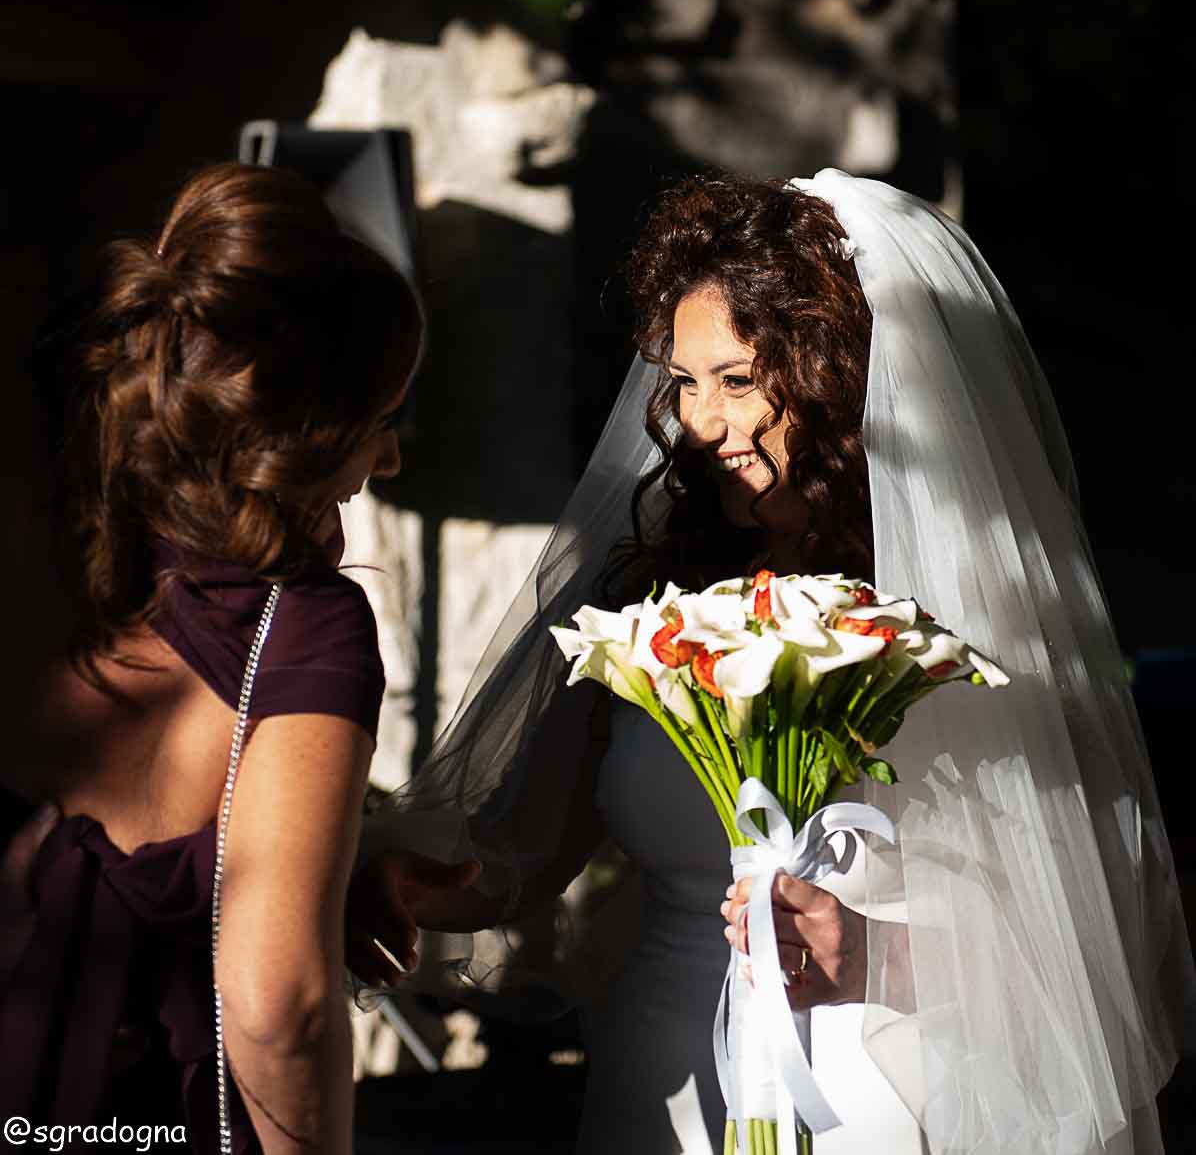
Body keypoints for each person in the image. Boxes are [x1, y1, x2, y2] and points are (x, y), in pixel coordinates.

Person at [356, 170, 1195, 1155]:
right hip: (661, 1086)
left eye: (737, 379)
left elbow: (1087, 940)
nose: (698, 421)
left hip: (883, 1095)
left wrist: (875, 952)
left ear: (836, 372)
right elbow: (518, 852)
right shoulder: (654, 603)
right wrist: (375, 879)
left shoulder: (957, 613)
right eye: (683, 381)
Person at [0, 162, 423, 1154]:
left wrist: (323, 864)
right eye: (380, 423)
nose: (390, 461)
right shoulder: (306, 627)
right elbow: (280, 1001)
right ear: (304, 436)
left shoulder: (64, 567)